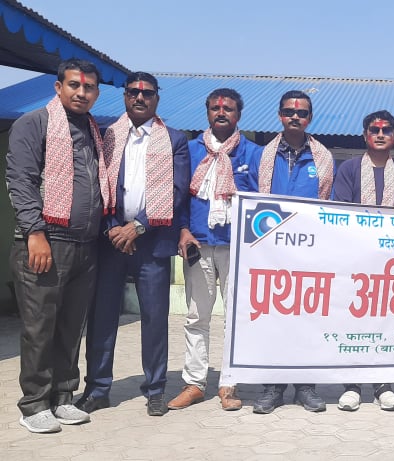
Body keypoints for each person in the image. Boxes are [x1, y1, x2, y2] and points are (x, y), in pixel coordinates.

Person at [77, 72, 191, 417]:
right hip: (110, 240)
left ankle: (155, 389)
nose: (140, 98)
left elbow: (176, 190)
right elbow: (96, 185)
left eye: (147, 93)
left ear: (157, 98)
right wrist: (115, 228)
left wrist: (137, 227)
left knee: (154, 319)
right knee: (102, 316)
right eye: (133, 92)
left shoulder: (174, 139)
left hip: (152, 243)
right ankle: (97, 389)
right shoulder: (107, 134)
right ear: (125, 96)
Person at [7, 59, 107, 433]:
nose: (81, 93)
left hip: (86, 244)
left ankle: (63, 397)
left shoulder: (95, 131)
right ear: (58, 87)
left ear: (97, 92)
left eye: (89, 87)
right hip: (45, 242)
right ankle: (34, 404)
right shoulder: (34, 123)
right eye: (74, 85)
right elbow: (21, 179)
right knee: (40, 327)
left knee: (70, 326)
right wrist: (35, 232)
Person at [167, 89, 262, 412]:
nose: (221, 113)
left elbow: (262, 202)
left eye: (228, 109)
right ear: (207, 112)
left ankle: (229, 384)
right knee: (197, 316)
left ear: (239, 114)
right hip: (197, 243)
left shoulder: (253, 153)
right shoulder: (191, 149)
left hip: (237, 248)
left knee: (235, 319)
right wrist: (182, 229)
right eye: (215, 108)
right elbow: (179, 195)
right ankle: (194, 383)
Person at [332, 110, 394, 412]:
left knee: (387, 324)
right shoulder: (349, 169)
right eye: (374, 129)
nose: (380, 134)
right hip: (355, 261)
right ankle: (352, 385)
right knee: (353, 323)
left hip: (392, 264)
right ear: (365, 135)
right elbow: (342, 214)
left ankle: (384, 385)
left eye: (386, 130)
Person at [252, 90, 334, 414]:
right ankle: (272, 387)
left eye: (301, 113)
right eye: (289, 112)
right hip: (270, 252)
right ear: (280, 115)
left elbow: (329, 206)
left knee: (307, 321)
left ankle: (305, 387)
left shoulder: (323, 158)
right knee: (272, 320)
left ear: (310, 118)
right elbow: (251, 201)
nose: (295, 117)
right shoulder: (264, 155)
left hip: (310, 253)